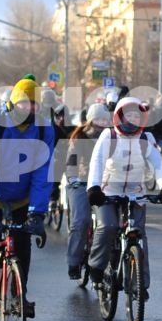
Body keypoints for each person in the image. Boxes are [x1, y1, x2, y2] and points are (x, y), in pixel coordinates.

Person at [0, 77, 57, 321]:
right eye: (26, 104)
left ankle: (18, 294)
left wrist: (37, 213)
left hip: (22, 197)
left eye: (36, 105)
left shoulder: (45, 128)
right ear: (14, 102)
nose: (31, 109)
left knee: (22, 244)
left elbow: (43, 172)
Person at [86, 97, 162, 292]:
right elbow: (97, 162)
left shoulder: (146, 138)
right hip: (108, 191)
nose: (133, 118)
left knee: (139, 236)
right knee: (108, 226)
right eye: (129, 114)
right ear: (120, 115)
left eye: (137, 115)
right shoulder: (108, 136)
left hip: (136, 192)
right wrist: (94, 188)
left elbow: (158, 164)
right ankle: (96, 267)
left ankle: (139, 285)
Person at [61, 102, 108, 282]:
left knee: (110, 223)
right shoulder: (79, 137)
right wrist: (73, 179)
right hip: (80, 182)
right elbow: (72, 162)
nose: (101, 122)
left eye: (104, 119)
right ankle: (73, 262)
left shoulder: (112, 137)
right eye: (97, 118)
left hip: (104, 185)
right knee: (80, 221)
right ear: (89, 120)